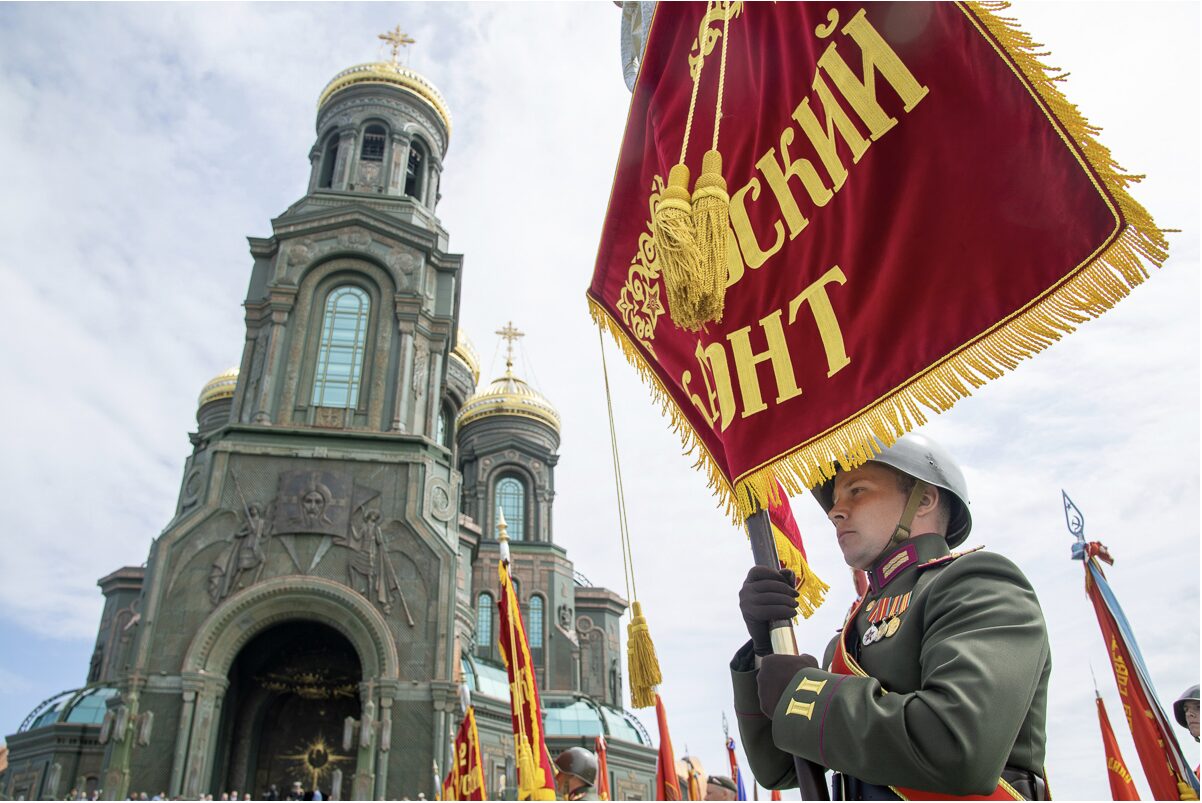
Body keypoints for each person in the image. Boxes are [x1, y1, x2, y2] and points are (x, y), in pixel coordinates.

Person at [732, 432, 1051, 800]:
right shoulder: (847, 636)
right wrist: (764, 649)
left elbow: (958, 744)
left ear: (924, 499)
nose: (836, 511)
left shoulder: (979, 581)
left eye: (858, 490)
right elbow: (780, 769)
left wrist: (805, 693)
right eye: (836, 500)